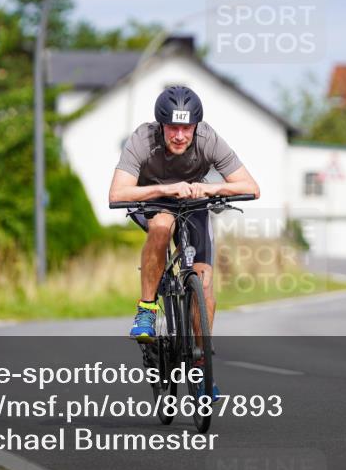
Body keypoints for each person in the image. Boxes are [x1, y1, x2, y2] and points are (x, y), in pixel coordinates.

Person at [108, 85, 260, 398]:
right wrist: (167, 189)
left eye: (186, 128)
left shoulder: (208, 139)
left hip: (194, 204)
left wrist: (208, 189)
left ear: (196, 127)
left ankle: (202, 366)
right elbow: (118, 193)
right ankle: (147, 309)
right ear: (161, 126)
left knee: (202, 284)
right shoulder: (142, 139)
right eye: (173, 128)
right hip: (155, 202)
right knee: (162, 226)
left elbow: (251, 186)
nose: (180, 136)